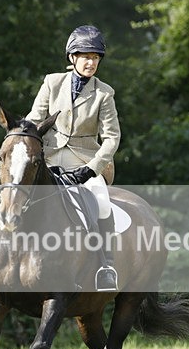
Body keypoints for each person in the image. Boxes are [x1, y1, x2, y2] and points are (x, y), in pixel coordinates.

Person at [26, 25, 121, 292]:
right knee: (14, 194)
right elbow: (35, 118)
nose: (91, 62)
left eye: (95, 57)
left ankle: (106, 266)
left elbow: (112, 138)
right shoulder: (52, 82)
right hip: (49, 158)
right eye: (85, 56)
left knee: (101, 202)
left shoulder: (104, 93)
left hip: (84, 162)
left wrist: (91, 170)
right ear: (73, 58)